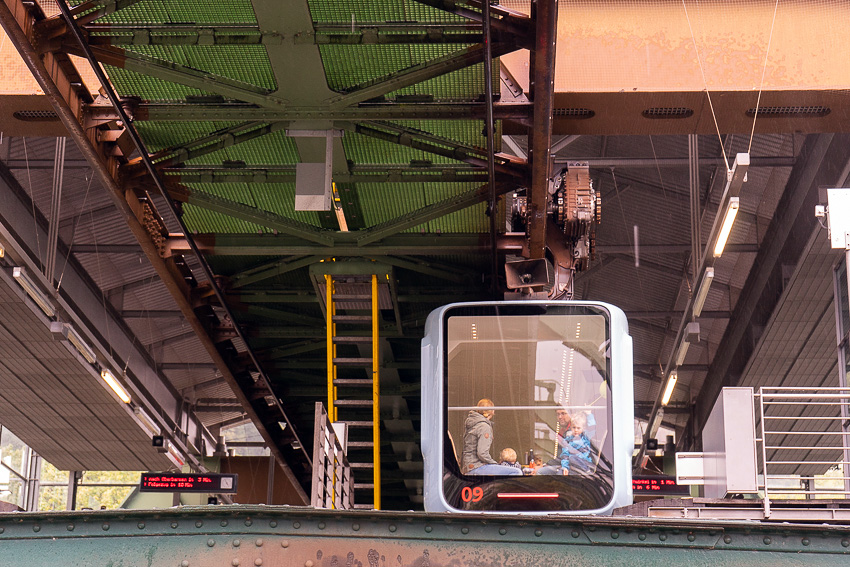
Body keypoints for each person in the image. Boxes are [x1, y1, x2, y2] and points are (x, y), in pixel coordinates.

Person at [461, 399, 522, 475]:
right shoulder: (484, 427)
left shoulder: (473, 423)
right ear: (492, 411)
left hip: (469, 467)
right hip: (476, 467)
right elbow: (482, 453)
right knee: (516, 471)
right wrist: (494, 463)